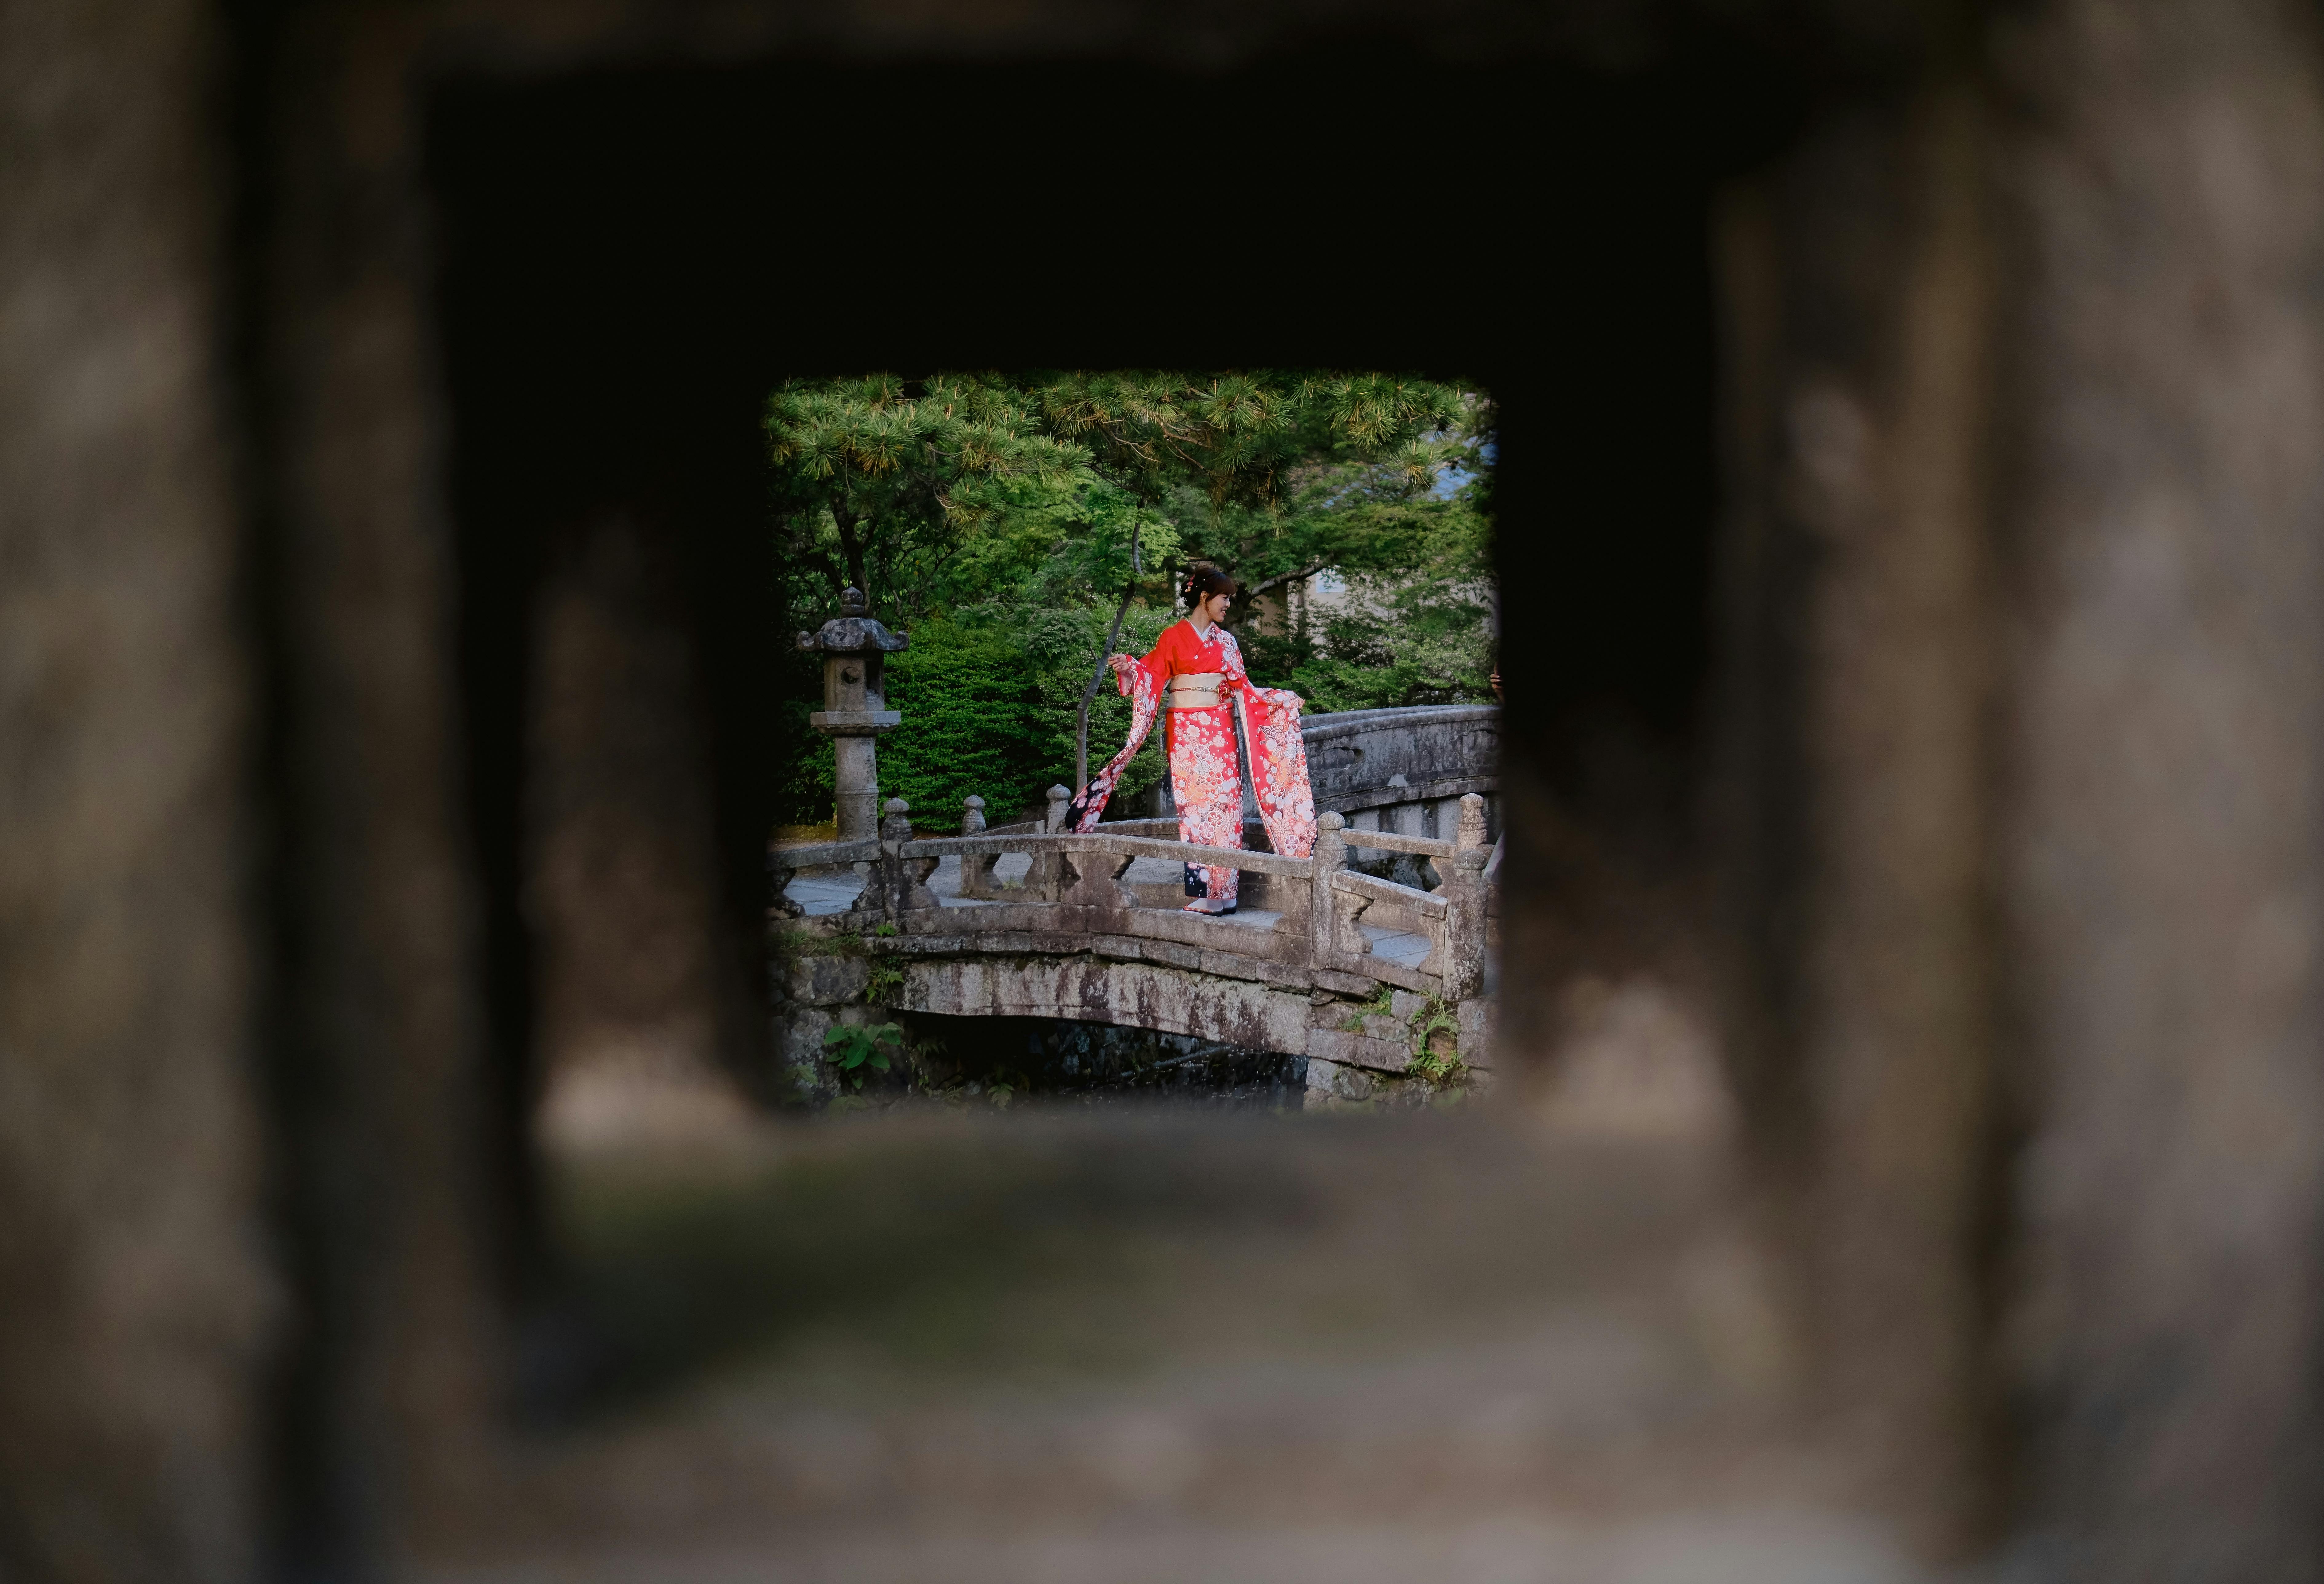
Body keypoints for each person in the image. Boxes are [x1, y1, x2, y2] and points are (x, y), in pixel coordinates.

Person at [1062, 566, 1318, 914]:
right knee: (1195, 808)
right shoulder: (1173, 637)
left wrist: (1280, 701)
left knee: (1226, 806)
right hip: (1184, 731)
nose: (1229, 604)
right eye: (1225, 597)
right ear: (1205, 597)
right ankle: (1206, 892)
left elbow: (1245, 691)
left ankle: (1224, 892)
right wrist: (1130, 668)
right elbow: (1153, 674)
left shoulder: (1227, 642)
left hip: (1219, 728)